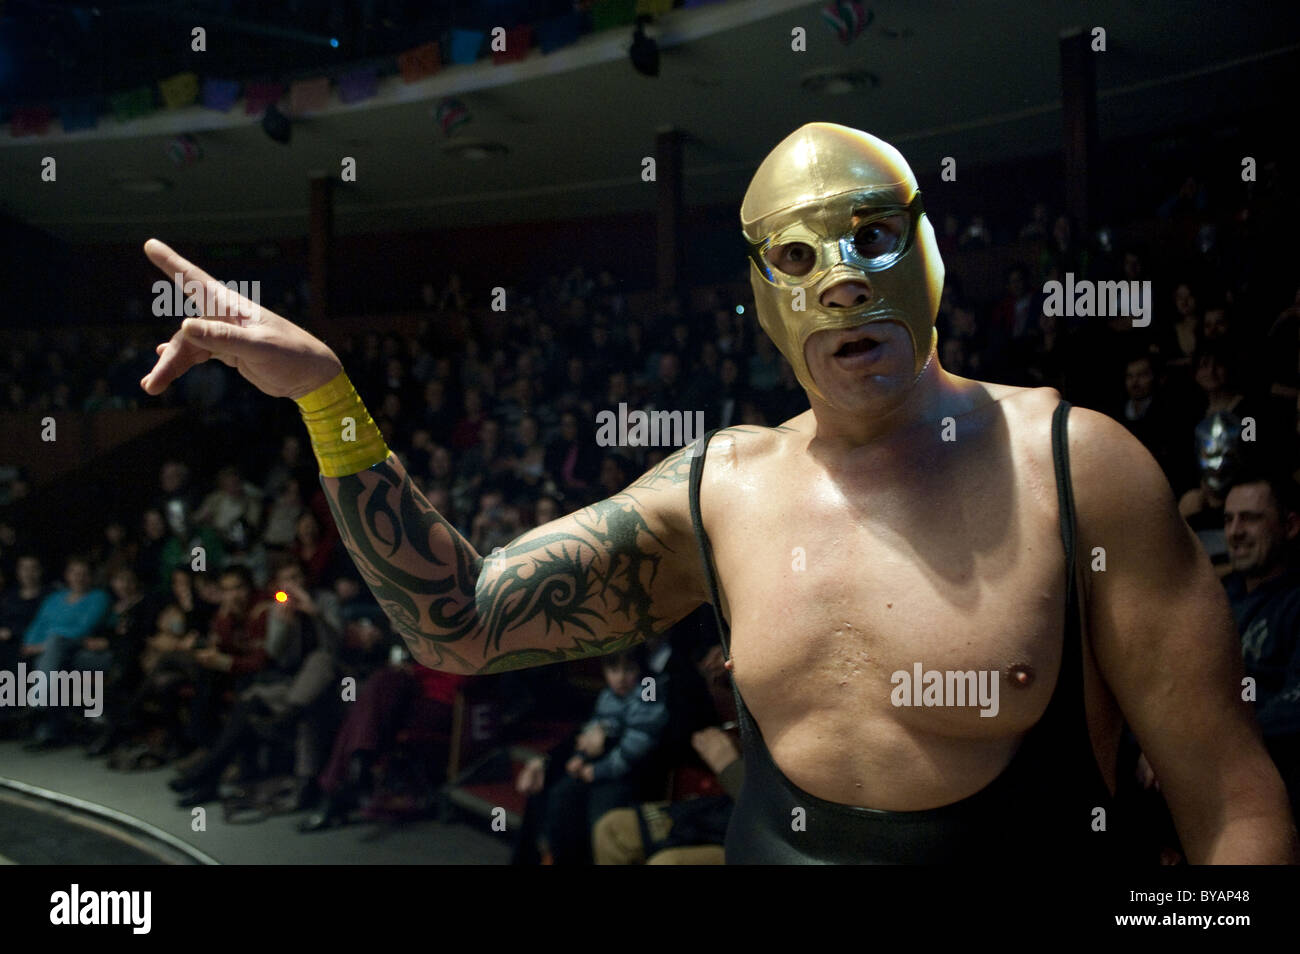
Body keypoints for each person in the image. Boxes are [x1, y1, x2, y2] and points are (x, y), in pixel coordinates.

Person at [137, 121, 1296, 864]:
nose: (842, 279)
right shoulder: (719, 489)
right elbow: (461, 624)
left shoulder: (1075, 465)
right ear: (761, 300)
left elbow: (1231, 804)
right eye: (798, 258)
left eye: (872, 237)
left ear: (928, 252)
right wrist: (330, 400)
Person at [1221, 474, 1300, 823]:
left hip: (1267, 780)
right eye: (1228, 519)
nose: (1235, 532)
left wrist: (1212, 745)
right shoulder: (1211, 597)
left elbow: (1293, 709)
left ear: (1290, 525)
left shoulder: (1295, 602)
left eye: (1251, 518)